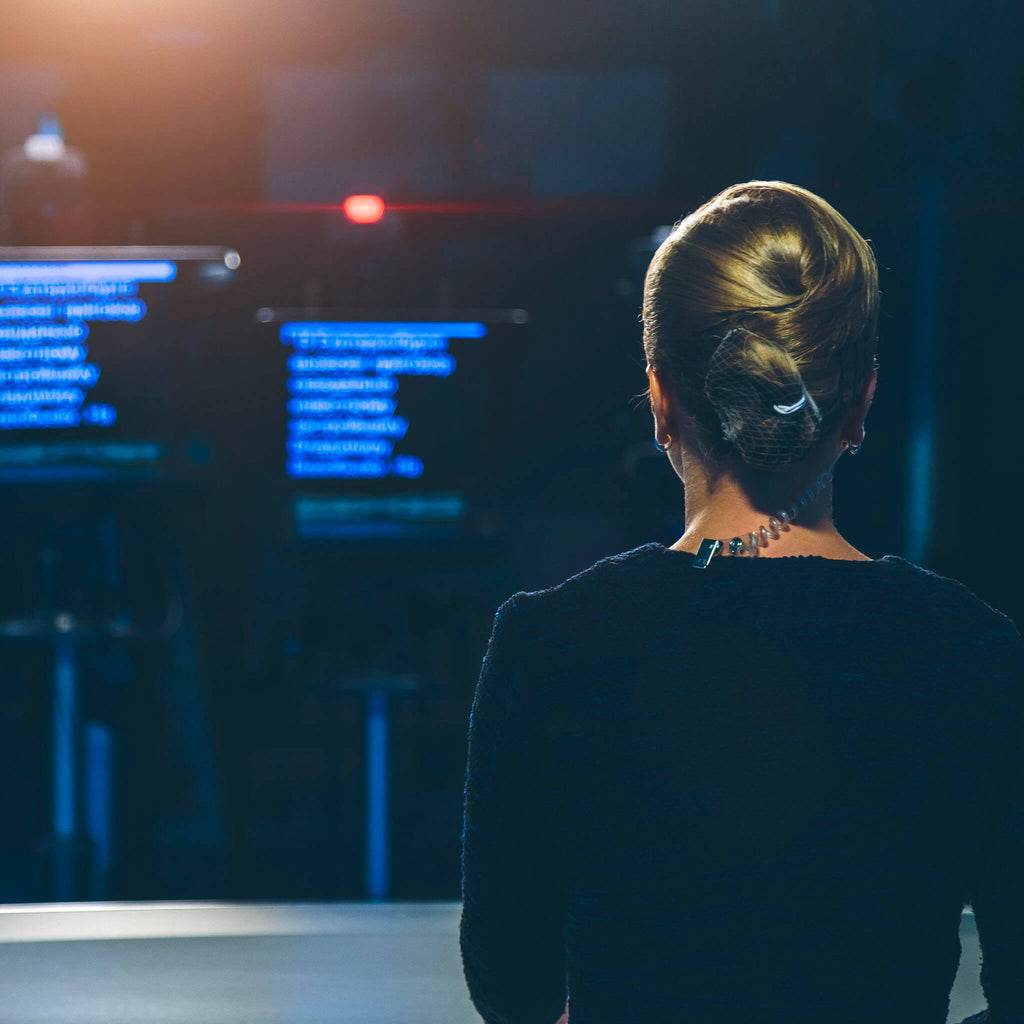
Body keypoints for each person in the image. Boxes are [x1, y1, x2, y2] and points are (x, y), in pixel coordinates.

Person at [459, 181, 1022, 1024]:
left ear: (661, 403)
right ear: (860, 405)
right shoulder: (974, 651)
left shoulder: (551, 644)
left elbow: (513, 990)